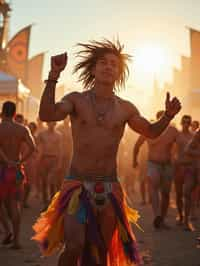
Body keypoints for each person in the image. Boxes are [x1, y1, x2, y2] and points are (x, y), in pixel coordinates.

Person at [33, 39, 181, 266]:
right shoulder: (76, 100)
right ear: (93, 68)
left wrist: (168, 116)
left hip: (109, 188)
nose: (108, 66)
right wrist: (53, 76)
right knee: (74, 246)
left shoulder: (126, 108)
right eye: (103, 62)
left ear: (119, 72)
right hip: (77, 186)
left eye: (113, 64)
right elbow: (47, 114)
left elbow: (150, 132)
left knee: (100, 254)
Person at [133, 111, 178, 230]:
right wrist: (134, 159)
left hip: (167, 165)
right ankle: (157, 215)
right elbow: (137, 145)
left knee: (166, 193)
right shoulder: (150, 129)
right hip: (153, 163)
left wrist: (178, 159)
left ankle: (161, 219)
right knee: (152, 186)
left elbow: (181, 145)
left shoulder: (173, 131)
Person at [0, 101, 35, 249]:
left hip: (2, 170)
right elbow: (33, 147)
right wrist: (20, 160)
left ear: (2, 113)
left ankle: (7, 230)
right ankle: (16, 241)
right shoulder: (22, 129)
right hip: (16, 171)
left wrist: (6, 160)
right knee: (15, 205)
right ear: (14, 113)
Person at [174, 115, 194, 230]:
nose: (186, 124)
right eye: (184, 122)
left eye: (188, 122)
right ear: (181, 123)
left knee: (187, 194)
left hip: (190, 168)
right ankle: (180, 215)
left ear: (190, 123)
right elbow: (172, 149)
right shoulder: (177, 135)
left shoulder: (193, 136)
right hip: (178, 167)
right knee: (178, 194)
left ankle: (187, 219)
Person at [37, 121, 63, 208]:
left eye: (53, 123)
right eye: (50, 122)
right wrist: (38, 160)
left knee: (52, 182)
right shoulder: (41, 134)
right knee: (44, 182)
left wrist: (59, 163)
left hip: (54, 159)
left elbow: (60, 149)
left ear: (55, 124)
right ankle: (45, 203)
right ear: (47, 123)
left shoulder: (58, 135)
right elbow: (38, 147)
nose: (51, 124)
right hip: (44, 159)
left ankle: (53, 202)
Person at [183, 129, 200, 230]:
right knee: (187, 193)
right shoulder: (195, 140)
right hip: (192, 170)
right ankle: (186, 221)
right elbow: (186, 150)